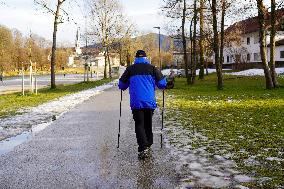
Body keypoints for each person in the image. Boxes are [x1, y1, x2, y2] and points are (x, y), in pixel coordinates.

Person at [118, 50, 167, 159]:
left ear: (136, 58)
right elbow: (162, 84)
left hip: (136, 102)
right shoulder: (152, 68)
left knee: (139, 124)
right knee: (148, 123)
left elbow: (121, 85)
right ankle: (148, 144)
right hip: (149, 102)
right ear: (146, 57)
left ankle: (143, 148)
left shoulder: (130, 69)